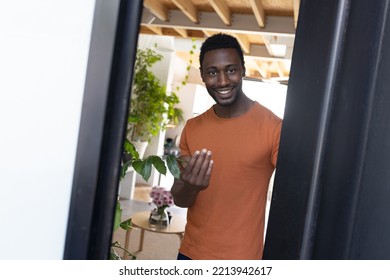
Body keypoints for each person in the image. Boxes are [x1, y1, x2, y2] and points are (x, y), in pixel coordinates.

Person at [171, 33, 282, 260]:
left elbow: (297, 196)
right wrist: (192, 187)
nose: (222, 81)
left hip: (242, 258)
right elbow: (180, 200)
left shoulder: (274, 128)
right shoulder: (192, 128)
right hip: (190, 254)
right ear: (202, 75)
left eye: (230, 70)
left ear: (243, 69)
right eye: (212, 72)